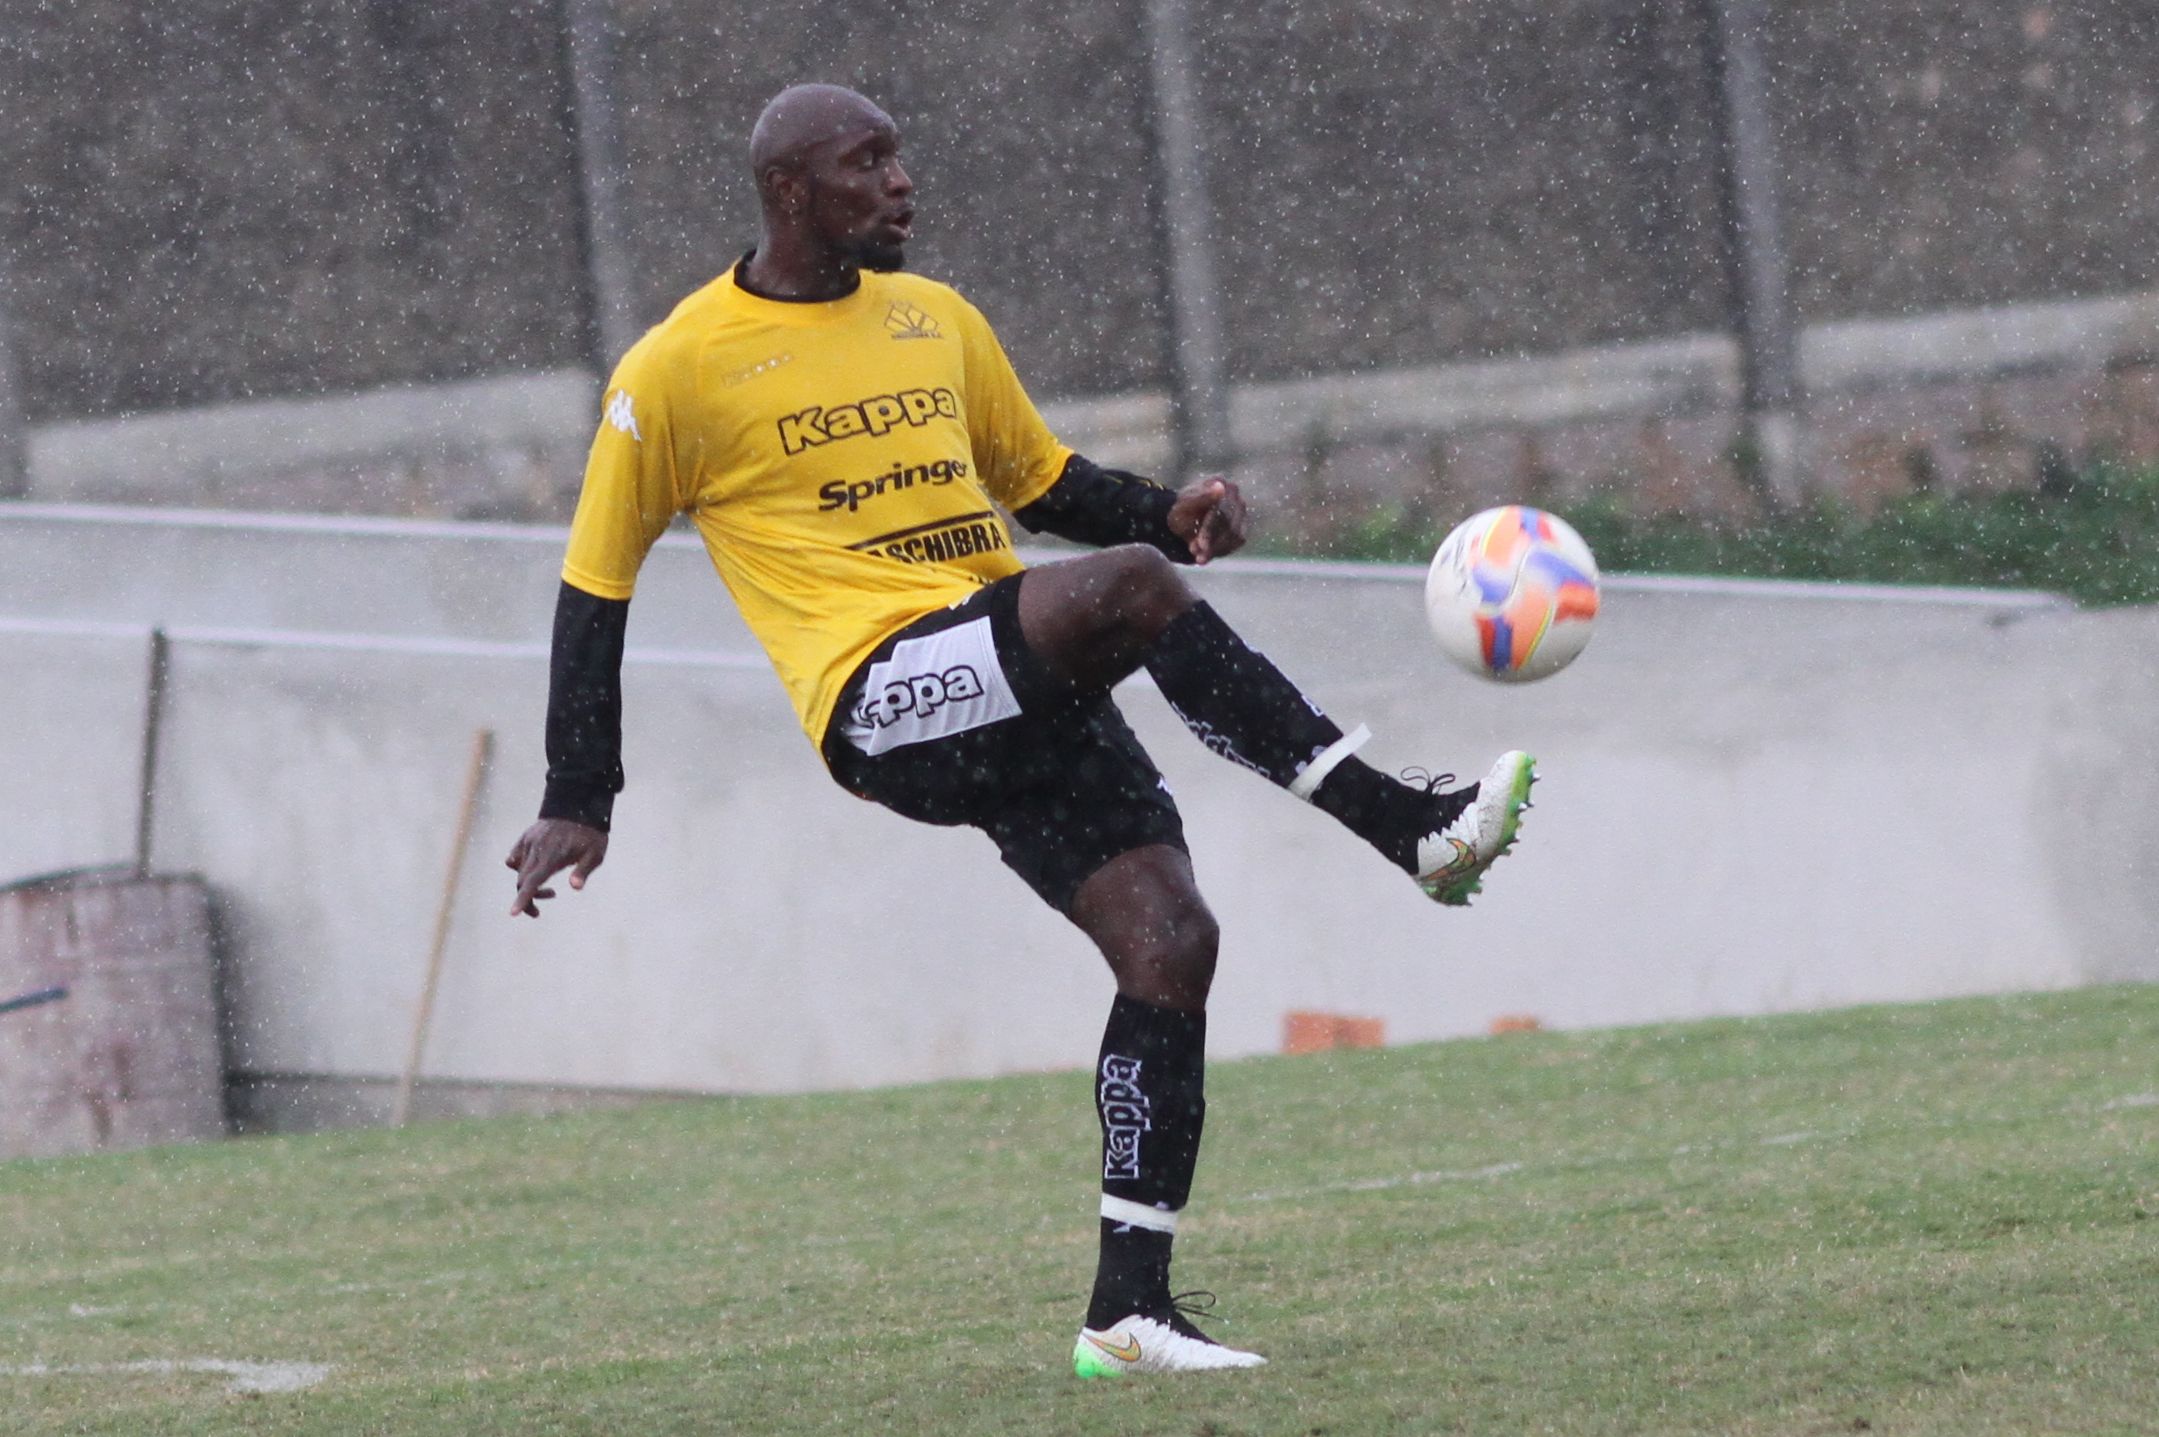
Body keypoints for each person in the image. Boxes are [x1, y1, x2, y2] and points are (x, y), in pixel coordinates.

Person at [504, 83, 1536, 1378]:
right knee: (1137, 596)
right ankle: (1408, 826)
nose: (901, 182)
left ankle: (1129, 1315)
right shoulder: (676, 369)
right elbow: (595, 585)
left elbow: (1043, 483)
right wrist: (579, 792)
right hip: (883, 695)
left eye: (898, 156)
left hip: (1009, 673)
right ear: (789, 191)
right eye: (868, 162)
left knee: (1172, 942)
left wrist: (1168, 513)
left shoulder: (935, 320)